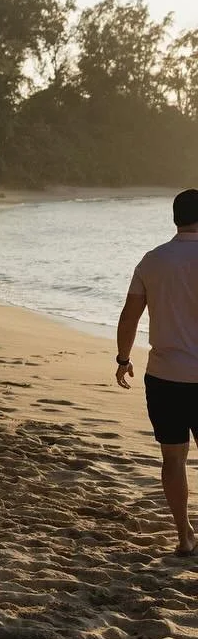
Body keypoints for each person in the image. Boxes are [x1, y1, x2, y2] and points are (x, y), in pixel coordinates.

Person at [116, 187, 198, 556]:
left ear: (175, 219)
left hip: (165, 377)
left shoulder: (152, 261)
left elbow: (130, 315)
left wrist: (122, 358)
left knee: (173, 458)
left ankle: (183, 535)